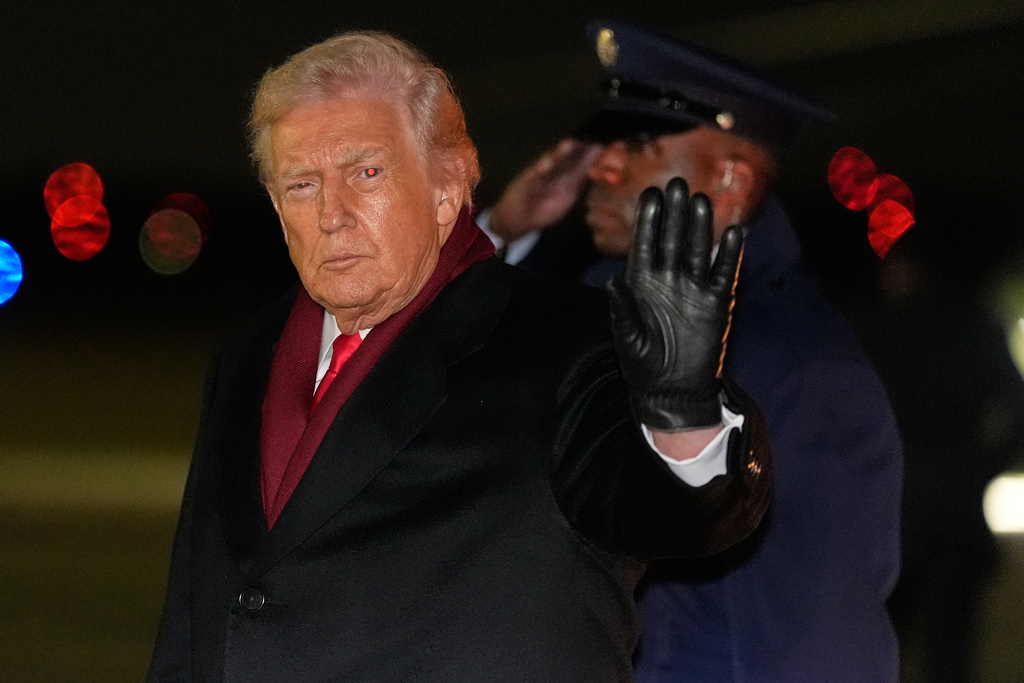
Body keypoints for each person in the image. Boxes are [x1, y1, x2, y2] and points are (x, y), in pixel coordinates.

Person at [147, 30, 773, 682]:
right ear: (277, 208)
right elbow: (196, 616)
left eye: (367, 172)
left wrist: (682, 411)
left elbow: (679, 514)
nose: (332, 213)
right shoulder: (249, 356)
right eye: (301, 184)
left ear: (447, 189)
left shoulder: (568, 345)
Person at [483, 19, 903, 682]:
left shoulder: (795, 362)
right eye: (606, 140)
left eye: (641, 143)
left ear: (730, 180)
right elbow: (460, 376)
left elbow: (821, 633)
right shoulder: (599, 302)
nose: (604, 164)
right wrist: (502, 232)